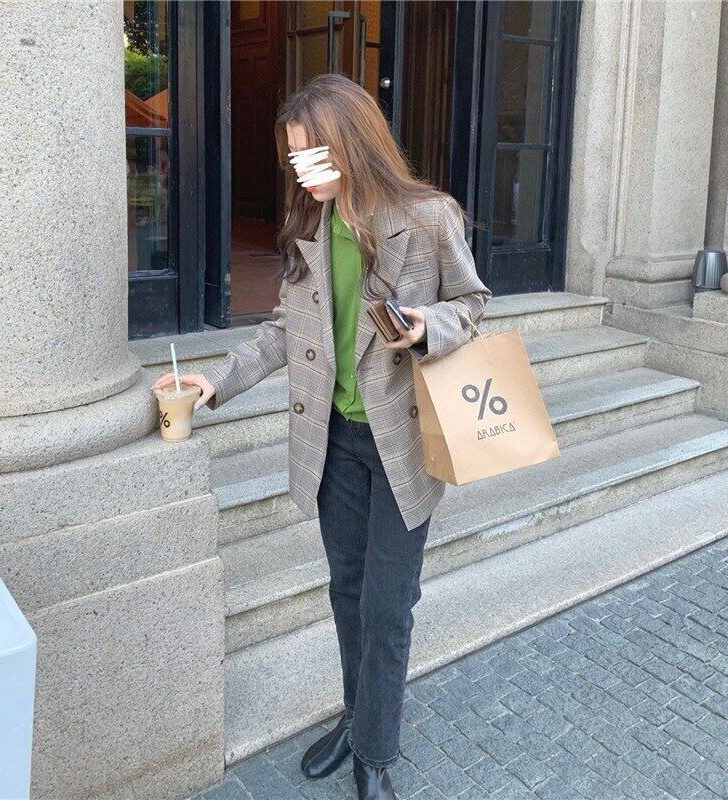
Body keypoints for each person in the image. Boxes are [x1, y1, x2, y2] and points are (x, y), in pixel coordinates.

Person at [154, 73, 491, 800]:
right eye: (294, 158)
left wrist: (430, 326)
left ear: (353, 146)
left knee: (387, 605)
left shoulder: (427, 218)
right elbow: (285, 330)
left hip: (403, 442)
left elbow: (472, 302)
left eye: (313, 156)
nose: (302, 172)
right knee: (346, 589)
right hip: (332, 440)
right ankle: (354, 714)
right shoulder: (310, 225)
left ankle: (374, 750)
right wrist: (217, 383)